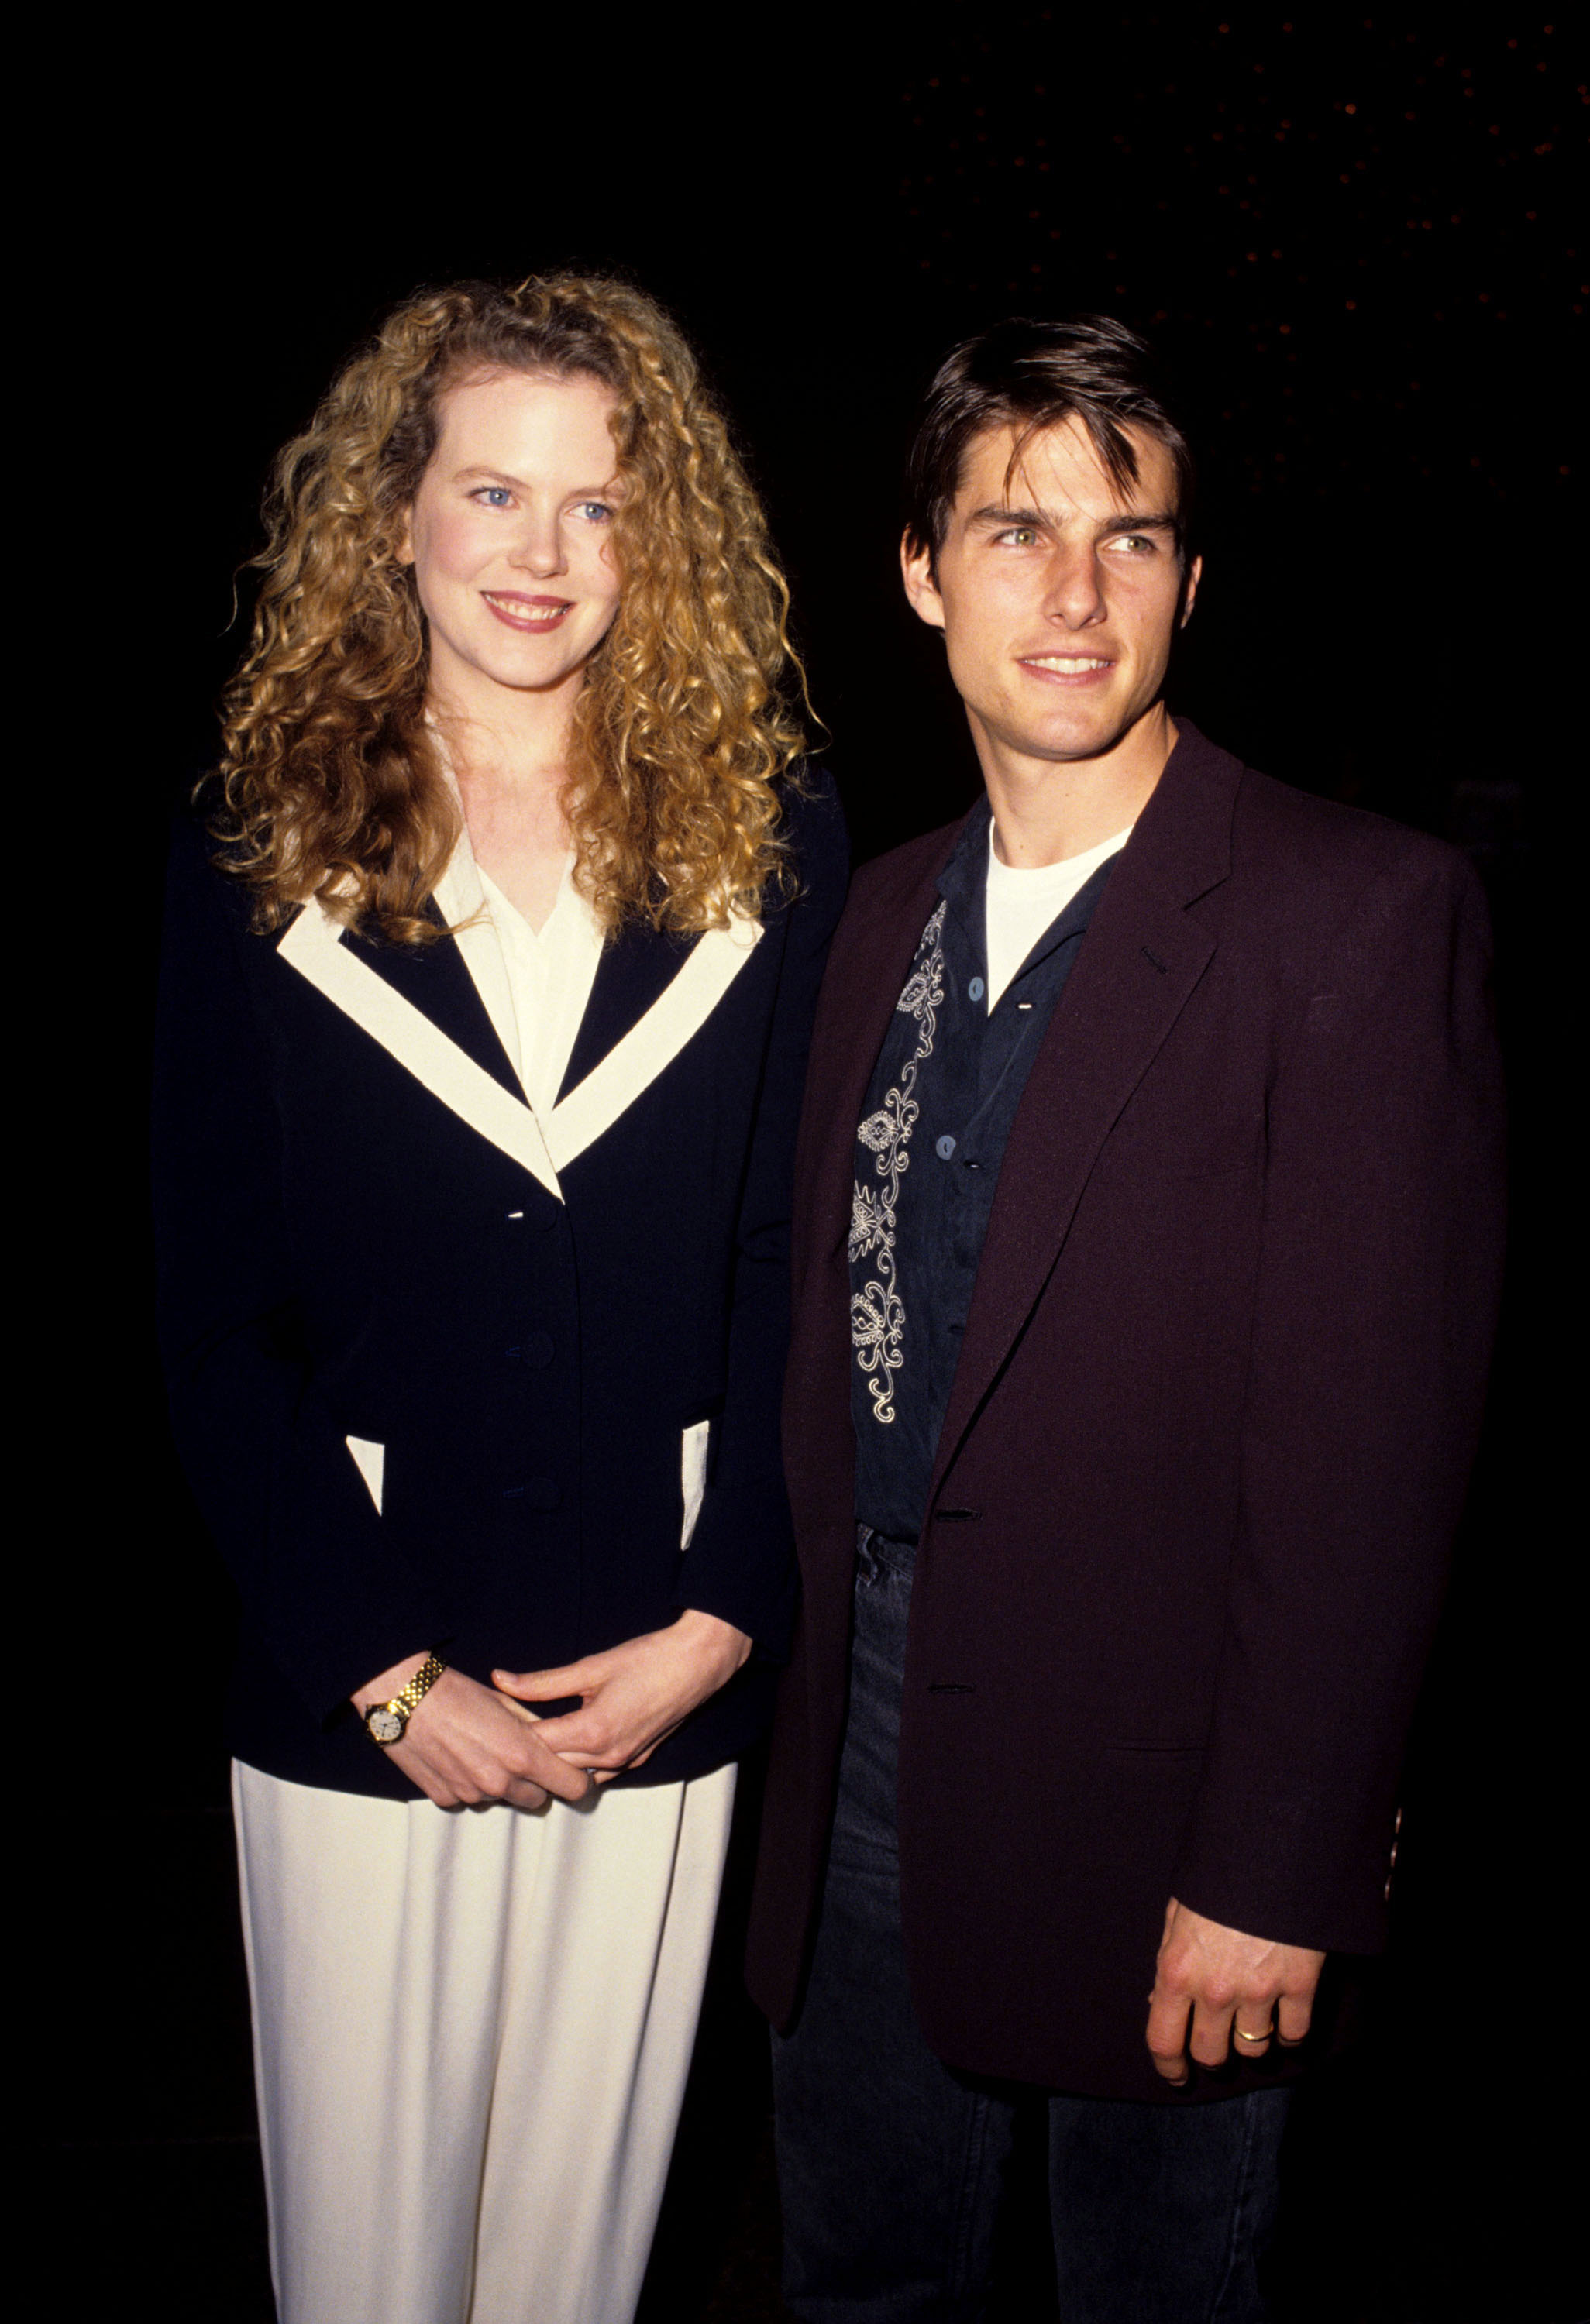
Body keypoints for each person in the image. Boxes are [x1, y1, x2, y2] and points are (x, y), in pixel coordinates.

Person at [745, 315, 1505, 2322]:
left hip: (1163, 1805)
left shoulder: (1352, 914)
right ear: (919, 570)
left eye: (1131, 538)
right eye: (1014, 532)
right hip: (849, 1797)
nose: (1073, 596)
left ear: (1188, 579)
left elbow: (1371, 1455)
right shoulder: (868, 914)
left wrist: (1277, 1864)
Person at [153, 272, 846, 2324]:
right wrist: (385, 1673)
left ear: (662, 538)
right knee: (372, 2282)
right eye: (491, 492)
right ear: (393, 514)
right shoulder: (250, 849)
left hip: (656, 1687)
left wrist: (723, 1621)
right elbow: (213, 1321)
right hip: (364, 1695)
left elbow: (776, 1269)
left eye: (599, 505)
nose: (543, 556)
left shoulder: (770, 841)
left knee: (579, 2275)